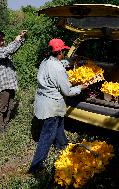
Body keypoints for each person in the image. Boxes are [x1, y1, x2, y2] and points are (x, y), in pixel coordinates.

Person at [28, 38, 88, 174]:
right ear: (59, 51)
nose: (65, 54)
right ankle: (36, 166)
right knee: (47, 135)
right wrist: (81, 87)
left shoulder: (46, 62)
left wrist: (72, 62)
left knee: (59, 123)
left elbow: (60, 64)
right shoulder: (58, 69)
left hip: (43, 102)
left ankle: (62, 145)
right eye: (64, 51)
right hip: (52, 107)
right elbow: (67, 91)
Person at [0, 30, 27, 134]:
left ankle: (5, 124)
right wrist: (17, 40)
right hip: (2, 85)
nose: (4, 42)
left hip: (9, 83)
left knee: (10, 105)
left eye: (4, 39)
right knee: (1, 108)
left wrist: (22, 37)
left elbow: (10, 48)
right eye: (1, 40)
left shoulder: (1, 49)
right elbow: (8, 51)